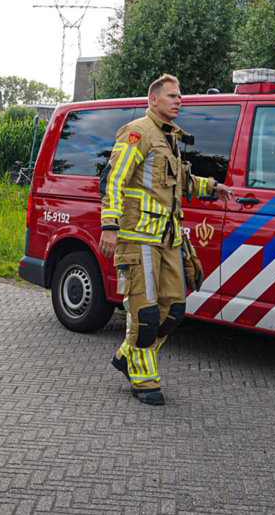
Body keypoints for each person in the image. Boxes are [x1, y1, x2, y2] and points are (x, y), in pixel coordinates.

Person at [99, 74, 234, 405]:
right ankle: (143, 380)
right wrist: (109, 225)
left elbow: (177, 181)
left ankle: (126, 356)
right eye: (172, 96)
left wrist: (210, 187)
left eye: (180, 96)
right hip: (137, 237)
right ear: (153, 100)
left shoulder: (169, 138)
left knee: (174, 309)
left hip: (169, 239)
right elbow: (115, 180)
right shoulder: (137, 133)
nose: (178, 100)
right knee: (145, 314)